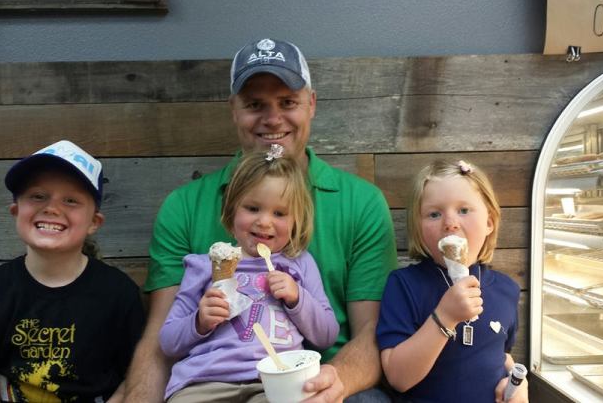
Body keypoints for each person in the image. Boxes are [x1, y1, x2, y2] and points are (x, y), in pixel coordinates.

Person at [125, 38, 399, 402]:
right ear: (234, 110)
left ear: (312, 105)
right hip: (208, 380)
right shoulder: (184, 206)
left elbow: (373, 331)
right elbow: (162, 335)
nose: (272, 119)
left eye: (287, 103)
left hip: (316, 379)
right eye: (255, 105)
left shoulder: (361, 203)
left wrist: (336, 381)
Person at [0, 140, 145, 402]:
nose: (51, 208)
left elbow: (134, 378)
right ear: (16, 211)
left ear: (94, 222)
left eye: (71, 200)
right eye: (38, 196)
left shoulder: (118, 292)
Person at [160, 145, 339, 402]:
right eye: (253, 208)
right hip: (206, 381)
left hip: (275, 382)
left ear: (296, 222)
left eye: (279, 213)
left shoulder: (299, 264)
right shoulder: (204, 266)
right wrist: (199, 321)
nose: (264, 221)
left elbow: (326, 336)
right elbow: (168, 341)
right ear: (231, 212)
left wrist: (296, 297)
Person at [376, 160, 528, 402]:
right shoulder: (404, 285)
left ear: (489, 222)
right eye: (434, 214)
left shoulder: (506, 289)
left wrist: (518, 383)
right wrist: (445, 316)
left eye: (464, 210)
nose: (450, 223)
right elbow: (397, 377)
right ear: (419, 228)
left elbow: (501, 354)